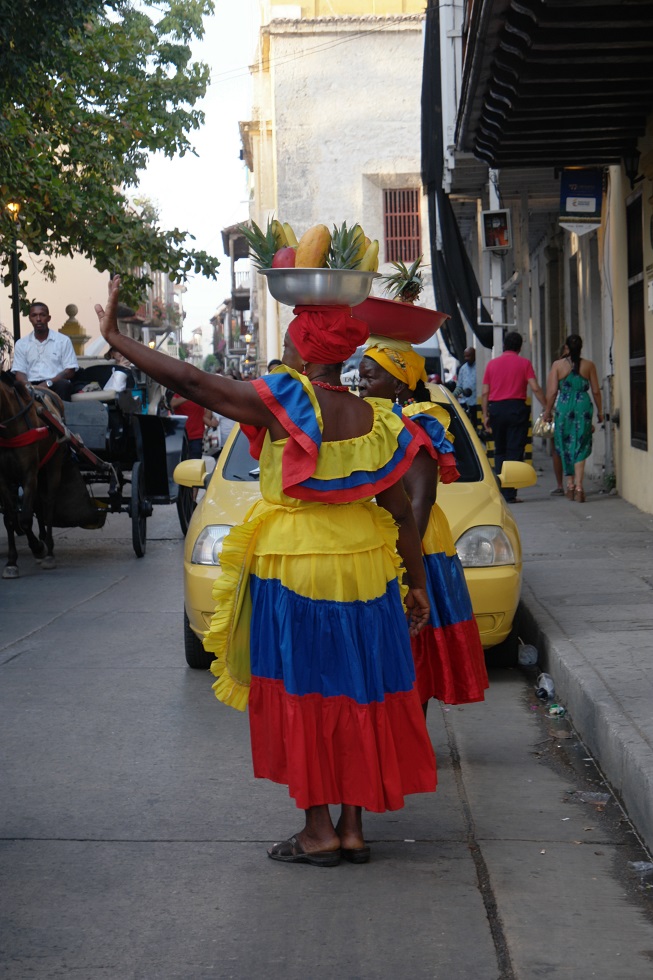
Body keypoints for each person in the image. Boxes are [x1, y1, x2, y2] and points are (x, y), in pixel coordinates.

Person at [96, 277, 436, 867]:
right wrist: (418, 584)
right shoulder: (374, 417)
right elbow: (401, 511)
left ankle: (318, 832)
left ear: (305, 348)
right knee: (359, 688)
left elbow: (193, 382)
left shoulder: (286, 398)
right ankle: (353, 828)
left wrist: (117, 339)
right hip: (367, 570)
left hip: (295, 568)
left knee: (307, 694)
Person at [358, 336, 489, 712]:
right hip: (386, 539)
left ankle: (410, 742)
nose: (361, 385)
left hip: (414, 543)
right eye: (359, 377)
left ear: (398, 384)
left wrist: (402, 563)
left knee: (414, 647)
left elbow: (419, 502)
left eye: (369, 377)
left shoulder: (415, 426)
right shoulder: (371, 423)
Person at [481, 331, 546, 503]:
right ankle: (510, 493)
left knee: (500, 450)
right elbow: (535, 387)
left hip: (497, 410)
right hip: (516, 409)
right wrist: (547, 407)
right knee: (515, 450)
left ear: (504, 345)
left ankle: (501, 490)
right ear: (520, 347)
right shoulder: (524, 363)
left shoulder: (491, 365)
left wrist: (485, 414)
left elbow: (485, 392)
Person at [544, 334, 603, 503]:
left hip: (564, 407)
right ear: (581, 347)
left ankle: (569, 485)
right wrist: (600, 411)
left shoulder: (557, 366)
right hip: (582, 406)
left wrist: (548, 412)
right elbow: (596, 391)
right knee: (581, 444)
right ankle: (579, 486)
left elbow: (552, 391)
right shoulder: (589, 365)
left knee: (564, 443)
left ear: (567, 347)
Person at [12, 302, 78, 400]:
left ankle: (62, 415)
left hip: (55, 384)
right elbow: (20, 372)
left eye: (42, 315)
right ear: (30, 318)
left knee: (64, 385)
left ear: (48, 318)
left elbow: (69, 370)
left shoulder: (63, 341)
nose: (38, 319)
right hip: (31, 384)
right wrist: (28, 386)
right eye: (34, 315)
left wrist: (48, 383)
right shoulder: (21, 344)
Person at [170, 393, 218, 460]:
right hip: (182, 437)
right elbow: (172, 404)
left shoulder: (200, 395)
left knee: (195, 462)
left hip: (197, 437)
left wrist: (212, 420)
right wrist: (188, 397)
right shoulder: (179, 394)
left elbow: (207, 414)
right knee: (182, 462)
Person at [456, 347, 478, 427]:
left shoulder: (479, 368)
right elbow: (459, 385)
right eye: (465, 356)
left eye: (468, 356)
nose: (466, 358)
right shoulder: (463, 369)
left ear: (474, 355)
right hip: (464, 402)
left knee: (476, 425)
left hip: (476, 403)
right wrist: (455, 395)